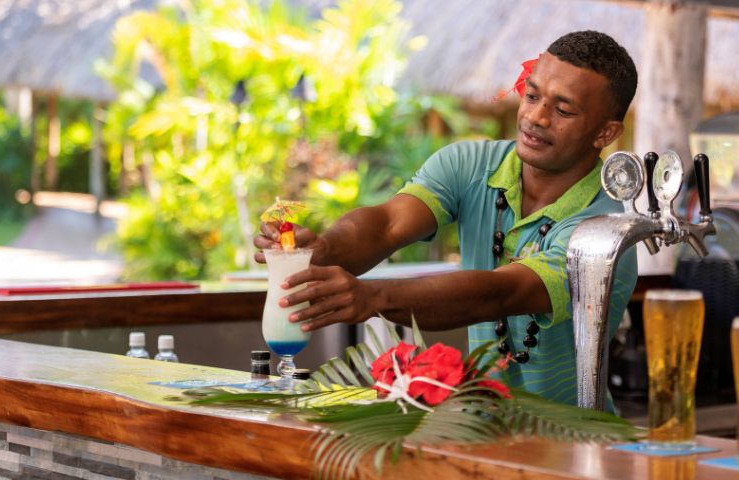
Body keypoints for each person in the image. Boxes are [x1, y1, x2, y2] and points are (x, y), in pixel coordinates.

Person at [255, 30, 638, 404]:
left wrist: (373, 297)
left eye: (563, 109)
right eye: (532, 95)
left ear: (605, 132)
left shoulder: (603, 230)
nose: (535, 117)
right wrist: (325, 247)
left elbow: (501, 293)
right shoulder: (470, 165)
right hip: (480, 431)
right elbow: (387, 223)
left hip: (574, 446)